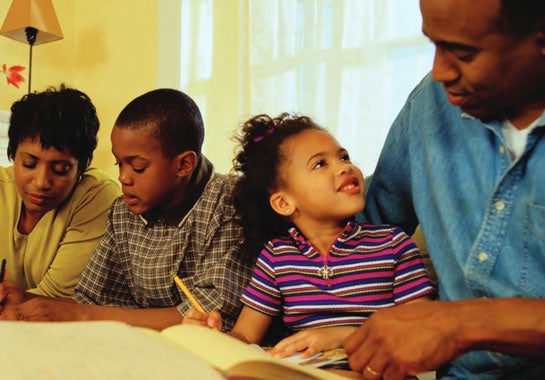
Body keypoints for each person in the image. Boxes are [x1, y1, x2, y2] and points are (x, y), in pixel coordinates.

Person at [343, 0, 545, 379]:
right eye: (433, 44)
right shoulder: (431, 105)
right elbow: (364, 228)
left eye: (464, 53)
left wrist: (461, 323)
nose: (440, 72)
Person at [0, 88, 255, 331]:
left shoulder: (229, 202)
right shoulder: (123, 212)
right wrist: (24, 301)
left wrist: (78, 314)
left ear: (184, 165)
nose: (123, 178)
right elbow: (90, 299)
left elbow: (209, 311)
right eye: (119, 163)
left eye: (138, 167)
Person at [184, 113, 434, 358]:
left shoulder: (394, 245)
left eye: (343, 156)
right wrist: (211, 338)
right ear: (284, 203)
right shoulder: (277, 257)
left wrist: (340, 337)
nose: (344, 167)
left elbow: (420, 329)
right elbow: (246, 338)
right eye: (320, 164)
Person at [0, 85, 120, 297]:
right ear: (12, 155)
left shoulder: (97, 195)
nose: (41, 182)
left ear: (81, 168)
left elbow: (57, 298)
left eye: (60, 170)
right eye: (29, 164)